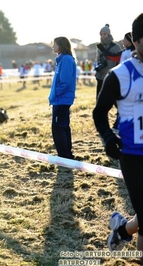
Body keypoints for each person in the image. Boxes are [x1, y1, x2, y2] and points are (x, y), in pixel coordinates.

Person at [92, 13, 143, 260]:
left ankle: (122, 230)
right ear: (137, 41)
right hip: (133, 155)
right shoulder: (121, 75)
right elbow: (99, 112)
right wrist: (108, 138)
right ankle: (122, 230)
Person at [48, 37, 76, 159]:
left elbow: (64, 82)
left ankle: (64, 155)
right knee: (62, 126)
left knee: (58, 127)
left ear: (61, 45)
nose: (52, 46)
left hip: (62, 99)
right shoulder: (62, 59)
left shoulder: (66, 60)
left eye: (54, 44)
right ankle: (66, 154)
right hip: (60, 99)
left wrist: (56, 93)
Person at [95, 24, 122, 98]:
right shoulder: (99, 46)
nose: (102, 36)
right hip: (100, 75)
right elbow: (97, 60)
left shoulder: (116, 47)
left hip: (110, 75)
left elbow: (119, 61)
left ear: (109, 34)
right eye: (101, 34)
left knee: (112, 98)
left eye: (104, 34)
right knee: (99, 98)